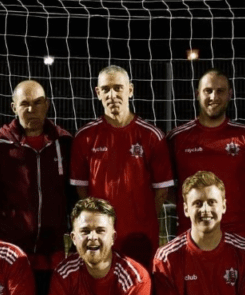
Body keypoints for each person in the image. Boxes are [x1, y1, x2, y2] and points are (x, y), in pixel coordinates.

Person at [0, 79, 74, 295]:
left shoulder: (64, 143)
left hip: (52, 252)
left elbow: (73, 196)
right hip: (11, 254)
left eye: (37, 103)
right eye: (24, 104)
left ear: (47, 104)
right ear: (14, 107)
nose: (31, 110)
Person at [70, 65, 174, 267]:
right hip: (100, 238)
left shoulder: (152, 136)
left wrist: (142, 220)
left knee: (140, 292)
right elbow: (81, 188)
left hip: (140, 237)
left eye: (118, 87)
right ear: (98, 93)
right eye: (106, 89)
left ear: (130, 90)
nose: (112, 94)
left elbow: (161, 191)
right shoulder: (85, 137)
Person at [168, 69, 245, 240]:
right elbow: (163, 186)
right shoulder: (177, 138)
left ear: (230, 94)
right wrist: (187, 203)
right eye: (208, 91)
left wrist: (238, 204)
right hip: (190, 234)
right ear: (197, 94)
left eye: (220, 91)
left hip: (237, 234)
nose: (214, 97)